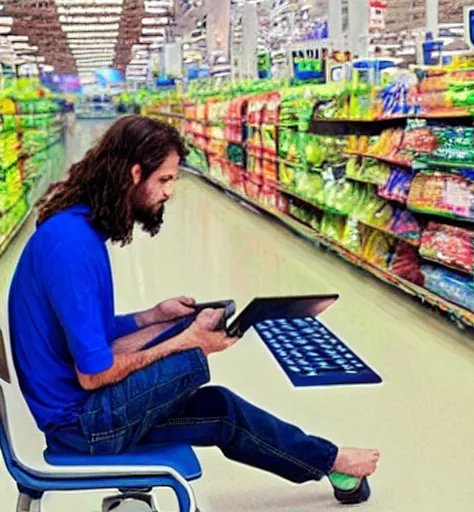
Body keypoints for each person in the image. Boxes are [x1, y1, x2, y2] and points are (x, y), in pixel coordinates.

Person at [8, 116, 379, 504]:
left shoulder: (76, 231)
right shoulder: (72, 247)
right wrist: (187, 342)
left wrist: (154, 317)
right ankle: (332, 458)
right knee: (188, 355)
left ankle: (331, 461)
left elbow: (92, 338)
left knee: (220, 408)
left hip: (81, 414)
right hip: (84, 427)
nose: (169, 192)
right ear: (135, 173)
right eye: (165, 179)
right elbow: (94, 372)